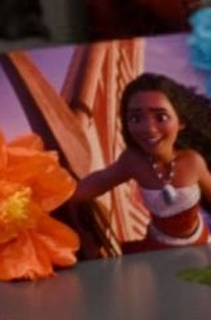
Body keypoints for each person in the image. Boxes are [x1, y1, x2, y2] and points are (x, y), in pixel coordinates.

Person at [65, 72, 211, 251]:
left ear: (180, 122)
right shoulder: (133, 162)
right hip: (156, 246)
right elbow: (97, 182)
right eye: (136, 119)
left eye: (161, 117)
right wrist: (50, 197)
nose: (148, 128)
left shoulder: (193, 162)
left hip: (198, 244)